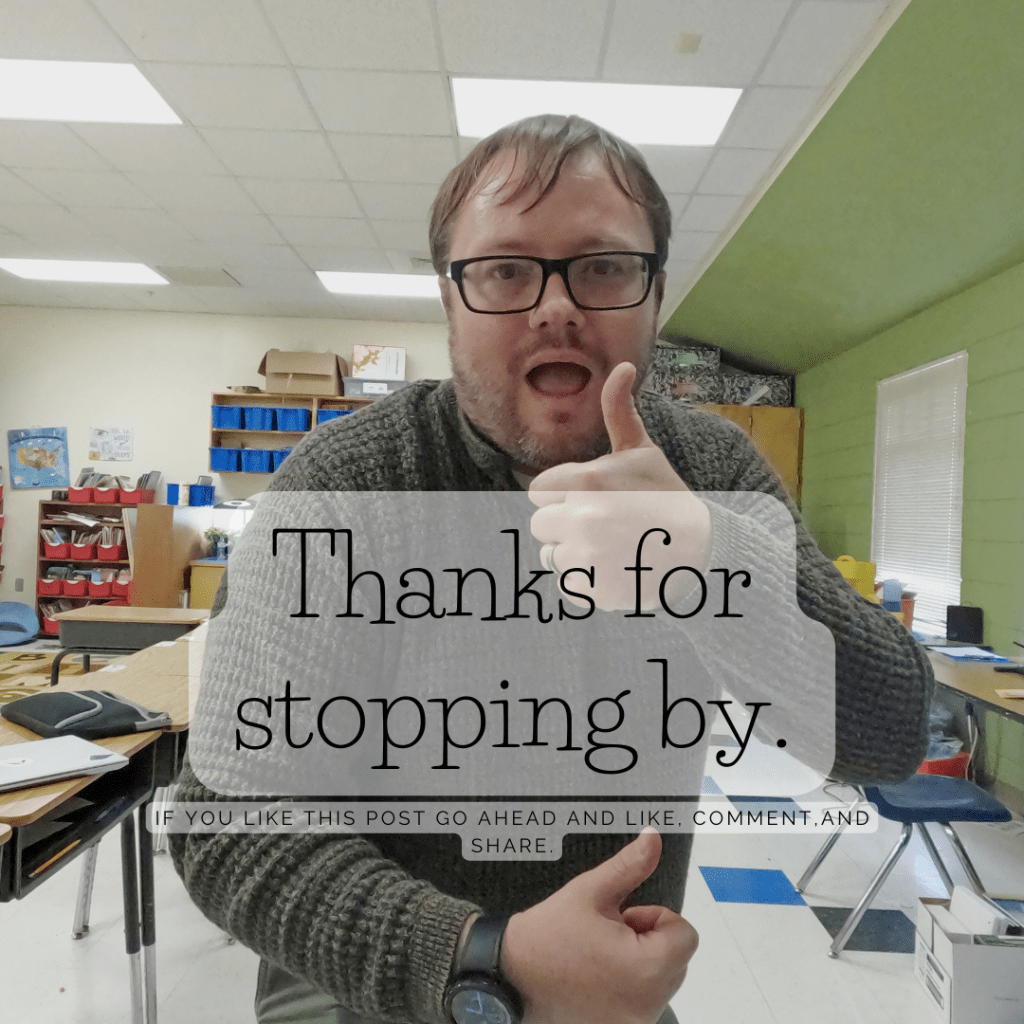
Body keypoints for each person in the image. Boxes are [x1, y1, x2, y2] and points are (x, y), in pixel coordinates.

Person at [171, 114, 933, 1024]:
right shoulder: (345, 487)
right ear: (451, 301)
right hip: (369, 989)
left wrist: (712, 565)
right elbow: (230, 822)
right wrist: (485, 962)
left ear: (654, 295)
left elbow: (891, 735)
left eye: (603, 267)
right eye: (505, 270)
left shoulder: (713, 473)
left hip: (609, 989)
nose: (556, 307)